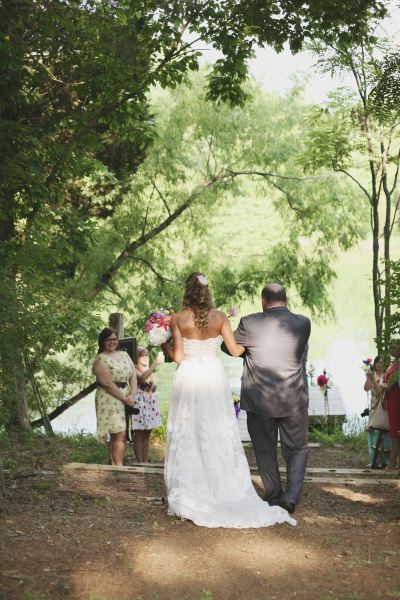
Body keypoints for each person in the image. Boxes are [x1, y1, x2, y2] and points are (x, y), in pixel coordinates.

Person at [161, 272, 295, 528]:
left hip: (189, 376)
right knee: (216, 428)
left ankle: (191, 484)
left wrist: (164, 347)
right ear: (207, 292)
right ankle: (222, 483)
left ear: (187, 291)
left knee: (188, 429)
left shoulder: (178, 319)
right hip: (212, 376)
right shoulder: (220, 317)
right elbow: (235, 350)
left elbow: (178, 358)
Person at [221, 282, 311, 515]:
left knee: (264, 449)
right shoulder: (303, 323)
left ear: (263, 301)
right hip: (294, 399)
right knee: (297, 449)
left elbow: (229, 348)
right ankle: (291, 497)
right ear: (286, 300)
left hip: (259, 400)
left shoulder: (250, 323)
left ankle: (273, 496)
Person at [92, 327, 137, 466]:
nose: (112, 342)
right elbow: (107, 384)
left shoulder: (124, 355)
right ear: (102, 342)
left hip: (126, 396)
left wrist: (132, 395)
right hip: (109, 398)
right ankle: (118, 466)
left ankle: (114, 464)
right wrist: (125, 399)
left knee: (119, 434)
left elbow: (133, 375)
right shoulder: (100, 360)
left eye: (114, 339)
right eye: (108, 340)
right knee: (119, 434)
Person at [130, 348, 163, 463]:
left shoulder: (146, 368)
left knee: (147, 434)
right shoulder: (134, 367)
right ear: (137, 357)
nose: (145, 358)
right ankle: (140, 462)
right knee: (139, 434)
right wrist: (155, 364)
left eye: (147, 355)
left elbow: (152, 386)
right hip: (139, 403)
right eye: (142, 356)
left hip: (149, 403)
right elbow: (142, 379)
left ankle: (145, 462)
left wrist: (153, 386)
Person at [363, 355, 390, 468]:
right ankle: (375, 459)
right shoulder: (373, 375)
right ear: (375, 364)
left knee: (382, 432)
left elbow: (380, 391)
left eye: (381, 362)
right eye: (377, 362)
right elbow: (366, 388)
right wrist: (369, 377)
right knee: (372, 431)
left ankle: (386, 460)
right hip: (373, 406)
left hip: (382, 406)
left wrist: (373, 379)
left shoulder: (386, 376)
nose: (379, 364)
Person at [381, 339, 400, 471]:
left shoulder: (398, 367)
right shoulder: (394, 364)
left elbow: (388, 386)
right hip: (391, 400)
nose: (390, 349)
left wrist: (380, 384)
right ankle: (395, 463)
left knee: (395, 432)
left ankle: (393, 463)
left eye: (393, 347)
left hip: (397, 400)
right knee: (394, 431)